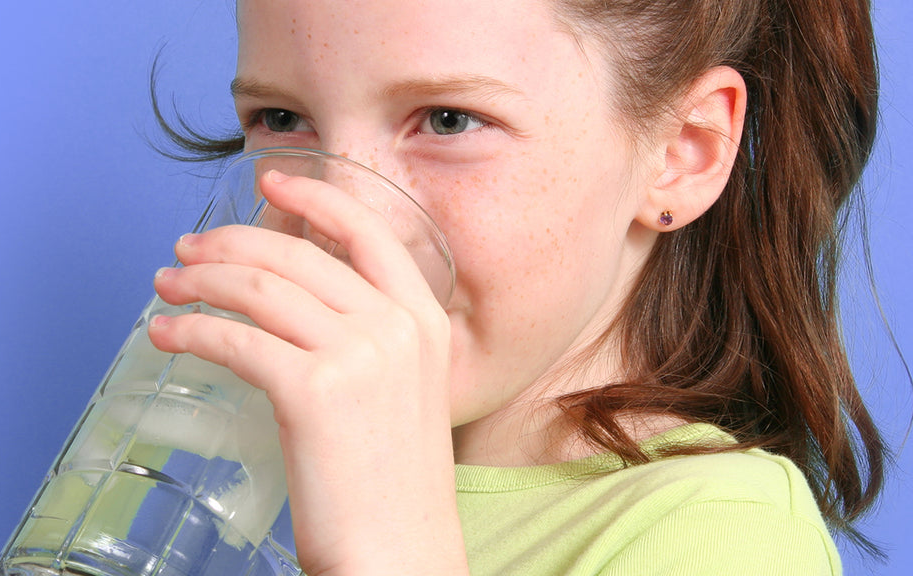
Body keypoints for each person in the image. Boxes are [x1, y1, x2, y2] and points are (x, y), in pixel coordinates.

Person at [145, 0, 888, 573]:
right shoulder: (247, 470)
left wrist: (388, 549)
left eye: (448, 120)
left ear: (682, 152)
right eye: (282, 118)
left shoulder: (721, 532)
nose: (340, 219)